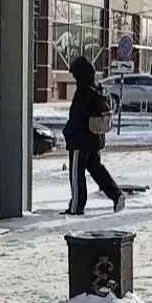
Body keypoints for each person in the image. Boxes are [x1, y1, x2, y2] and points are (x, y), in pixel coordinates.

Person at [62, 55, 125, 215]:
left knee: (77, 174)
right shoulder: (98, 88)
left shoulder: (83, 91)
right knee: (96, 169)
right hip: (95, 139)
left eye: (74, 74)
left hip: (80, 140)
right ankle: (116, 194)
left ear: (80, 74)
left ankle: (76, 207)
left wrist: (67, 132)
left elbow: (76, 116)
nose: (74, 77)